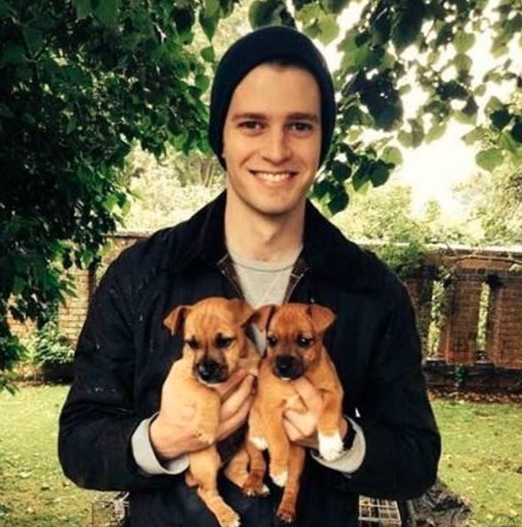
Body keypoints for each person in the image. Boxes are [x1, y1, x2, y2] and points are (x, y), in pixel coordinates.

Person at [58, 26, 440, 527]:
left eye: (300, 125)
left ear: (323, 139)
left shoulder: (371, 290)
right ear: (221, 136)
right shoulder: (142, 275)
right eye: (252, 124)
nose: (277, 149)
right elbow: (80, 442)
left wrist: (339, 439)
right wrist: (164, 437)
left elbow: (415, 458)